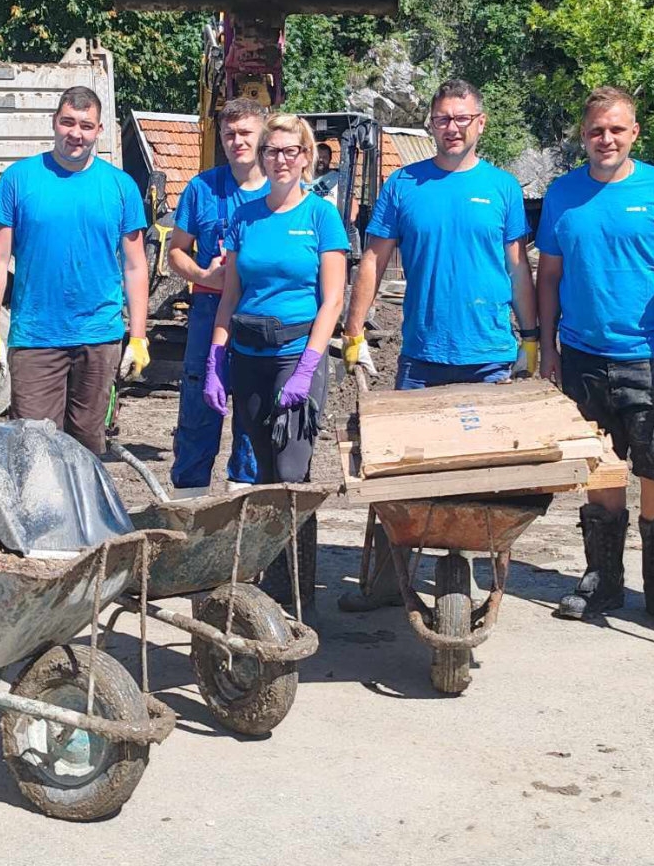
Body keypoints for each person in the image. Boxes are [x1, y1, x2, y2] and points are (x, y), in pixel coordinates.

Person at [338, 79, 537, 611]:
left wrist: (532, 336)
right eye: (443, 118)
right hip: (422, 356)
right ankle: (387, 580)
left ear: (481, 123)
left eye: (462, 118)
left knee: (485, 478)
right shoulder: (404, 185)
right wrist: (353, 333)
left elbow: (518, 267)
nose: (453, 128)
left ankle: (481, 578)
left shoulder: (502, 188)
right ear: (431, 124)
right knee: (398, 472)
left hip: (488, 355)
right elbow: (374, 260)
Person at [535, 87, 654, 633]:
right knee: (600, 469)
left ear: (635, 132)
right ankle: (603, 579)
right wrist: (548, 348)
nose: (606, 139)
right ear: (582, 135)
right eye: (596, 130)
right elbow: (549, 276)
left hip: (653, 357)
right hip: (582, 356)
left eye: (616, 129)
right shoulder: (563, 194)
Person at [204, 112, 349, 609]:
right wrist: (216, 358)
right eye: (272, 151)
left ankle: (297, 596)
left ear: (307, 157)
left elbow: (332, 300)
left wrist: (308, 368)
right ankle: (274, 584)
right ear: (262, 157)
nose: (281, 159)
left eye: (291, 151)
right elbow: (231, 293)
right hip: (249, 356)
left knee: (291, 476)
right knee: (264, 474)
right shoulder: (244, 217)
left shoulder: (321, 217)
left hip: (296, 356)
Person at [0, 86, 150, 455]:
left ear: (99, 130)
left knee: (87, 447)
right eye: (68, 122)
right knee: (35, 447)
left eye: (86, 126)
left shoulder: (120, 186)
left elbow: (135, 266)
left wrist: (138, 338)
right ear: (54, 122)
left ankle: (83, 497)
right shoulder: (19, 179)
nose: (76, 133)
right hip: (36, 337)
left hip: (99, 337)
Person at [165, 97, 264, 496]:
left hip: (261, 313)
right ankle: (189, 501)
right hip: (209, 309)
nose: (237, 141)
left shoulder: (283, 190)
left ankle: (245, 497)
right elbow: (176, 252)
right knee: (198, 405)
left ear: (263, 134)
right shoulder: (202, 189)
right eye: (229, 134)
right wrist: (204, 274)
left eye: (246, 133)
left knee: (254, 413)